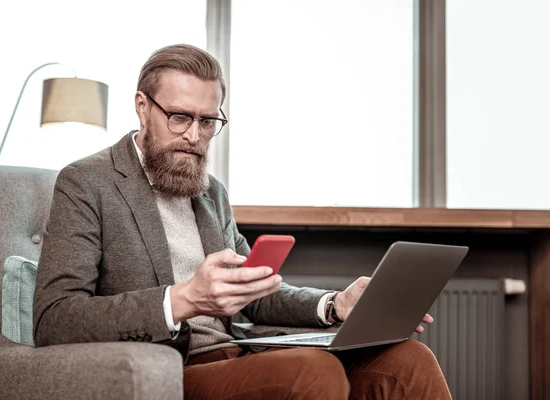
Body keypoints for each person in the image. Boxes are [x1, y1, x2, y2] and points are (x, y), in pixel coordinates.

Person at [33, 44, 451, 399]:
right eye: (179, 117)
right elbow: (55, 319)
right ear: (143, 107)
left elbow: (256, 292)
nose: (194, 136)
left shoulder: (211, 191)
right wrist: (185, 300)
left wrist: (334, 304)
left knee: (409, 361)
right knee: (311, 372)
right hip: (170, 368)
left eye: (208, 121)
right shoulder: (87, 182)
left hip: (242, 352)